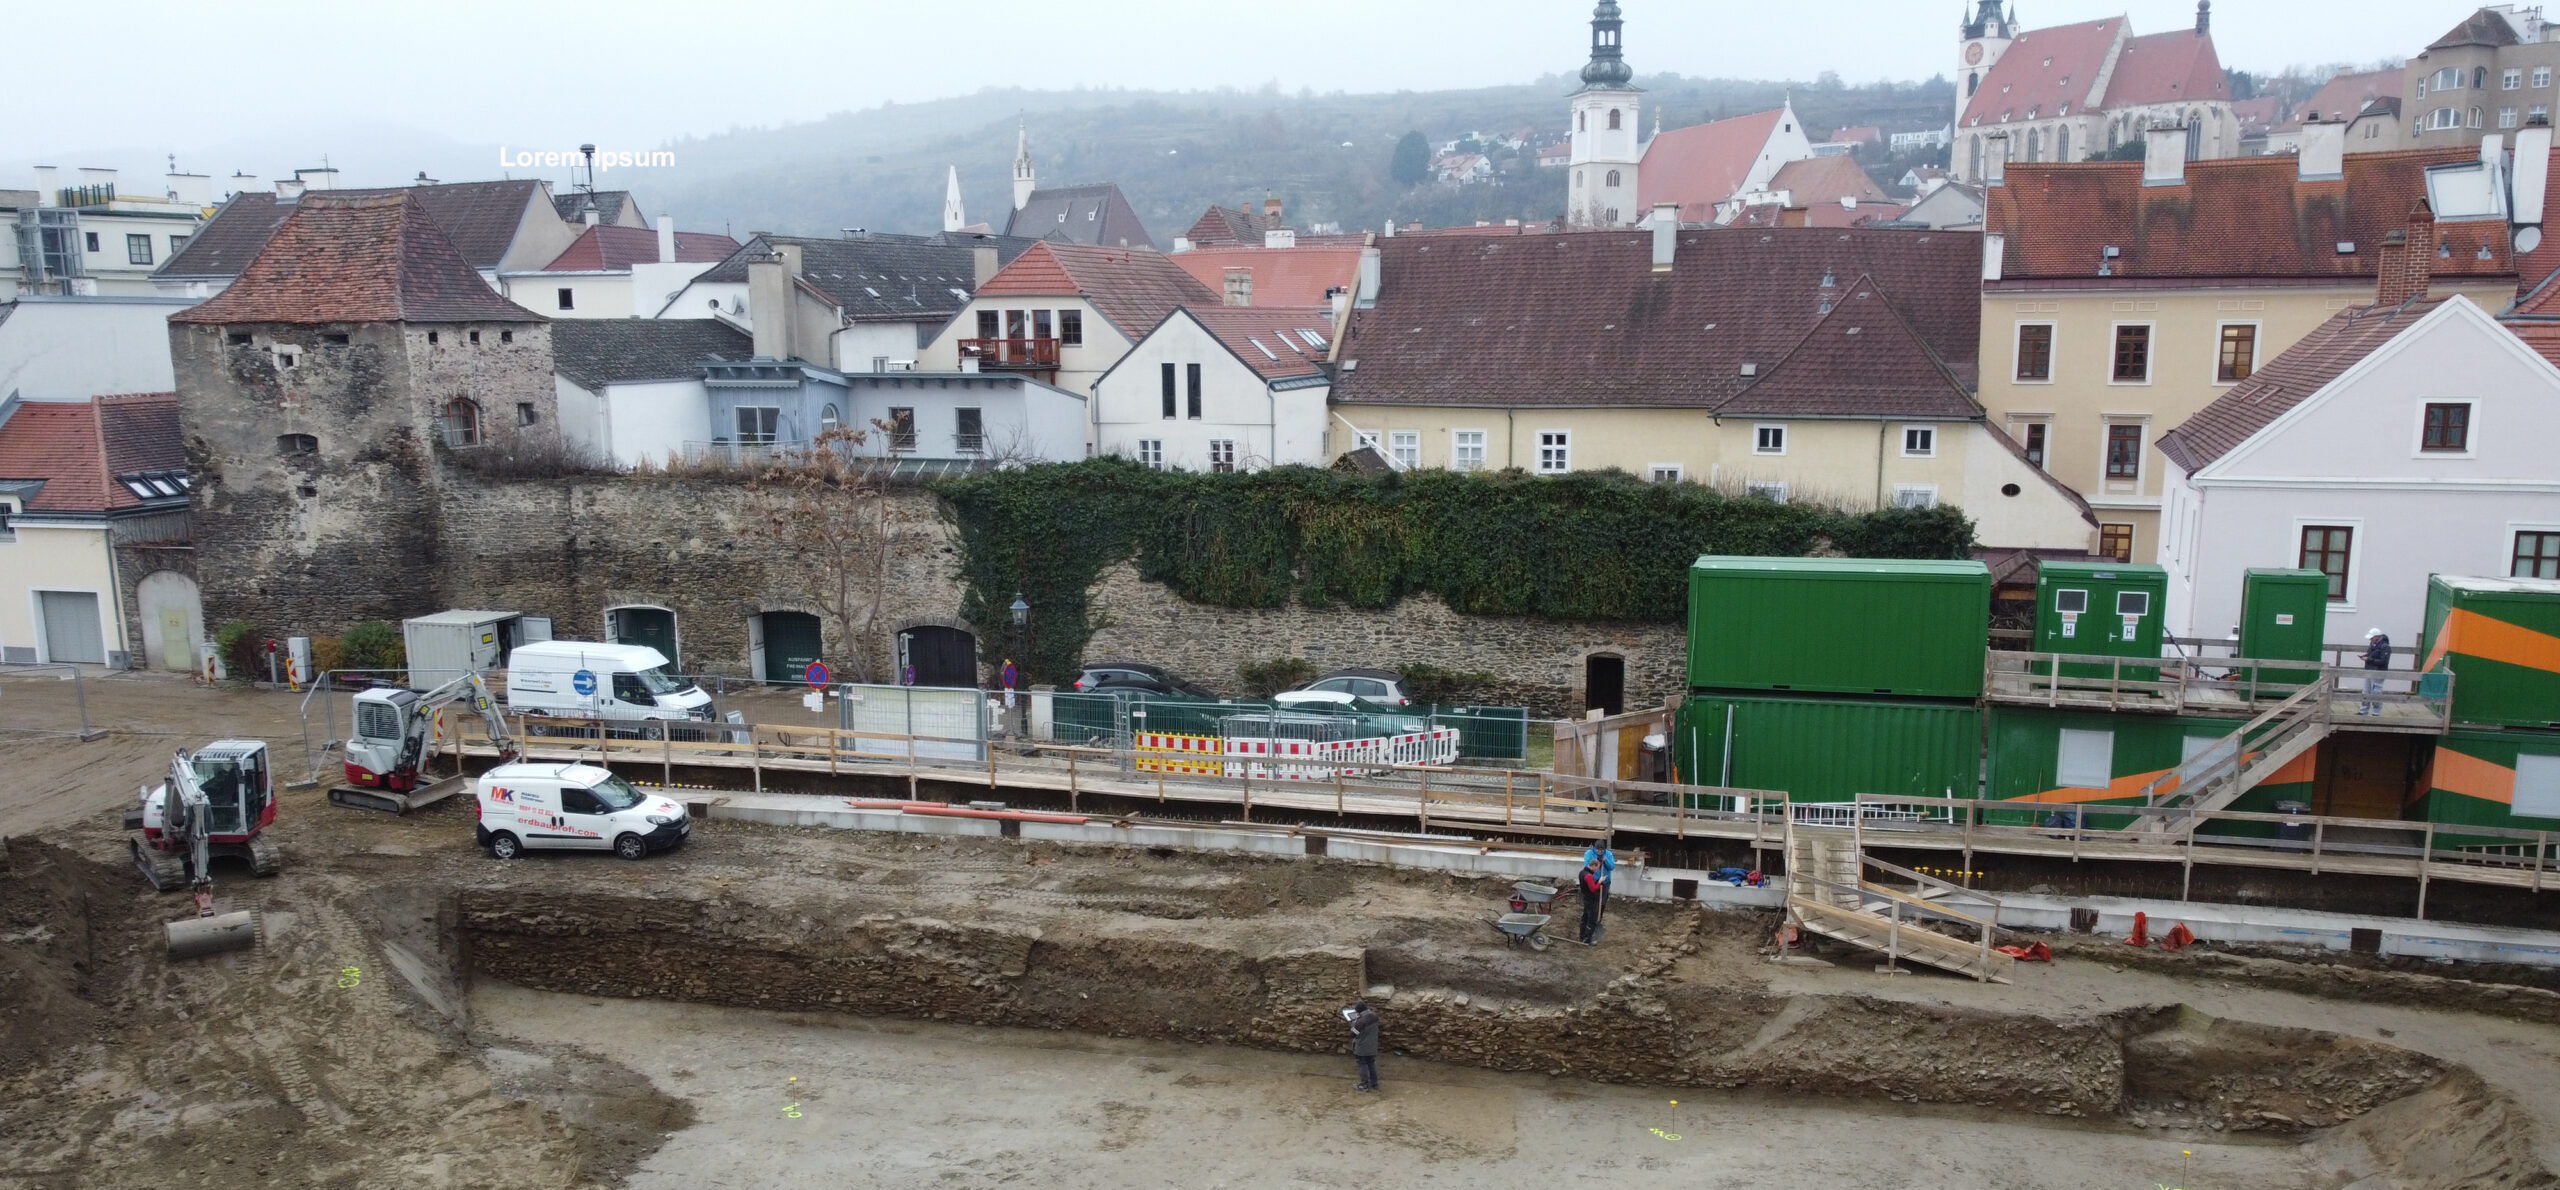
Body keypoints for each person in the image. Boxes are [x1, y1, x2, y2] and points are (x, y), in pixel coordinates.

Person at [1347, 999, 1381, 1092]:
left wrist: (1353, 1023)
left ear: (1359, 1012)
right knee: (1371, 1064)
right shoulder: (1375, 1016)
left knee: (1362, 1065)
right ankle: (1375, 1084)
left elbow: (1353, 1034)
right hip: (1372, 1046)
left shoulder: (1360, 1022)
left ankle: (1364, 1085)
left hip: (1362, 1047)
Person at [2360, 627, 2392, 716]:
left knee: (2376, 692)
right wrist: (2366, 656)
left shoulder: (2385, 647)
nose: (2370, 639)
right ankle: (2363, 711)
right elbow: (2373, 655)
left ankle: (2376, 712)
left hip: (2378, 672)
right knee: (2366, 691)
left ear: (2377, 636)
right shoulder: (2373, 644)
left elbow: (2383, 661)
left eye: (2372, 637)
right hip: (2370, 671)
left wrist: (2369, 659)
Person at [1576, 857, 1606, 945]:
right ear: (1593, 866)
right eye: (1597, 867)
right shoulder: (1588, 876)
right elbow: (1593, 888)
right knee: (1591, 920)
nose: (1598, 870)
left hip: (1586, 898)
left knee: (1585, 918)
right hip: (1591, 900)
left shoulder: (1582, 872)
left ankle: (1582, 936)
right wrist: (1600, 881)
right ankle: (1587, 939)